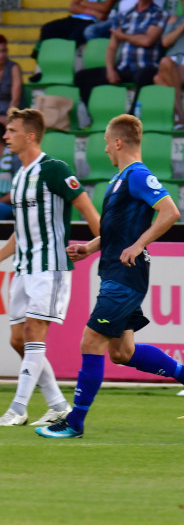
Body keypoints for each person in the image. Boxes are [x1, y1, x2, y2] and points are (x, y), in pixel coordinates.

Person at [38, 115, 184, 438]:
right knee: (122, 353)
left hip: (125, 277)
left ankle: (74, 422)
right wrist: (89, 248)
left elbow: (170, 211)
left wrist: (139, 244)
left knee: (91, 341)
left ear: (118, 142)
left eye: (106, 142)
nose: (104, 149)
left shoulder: (138, 175)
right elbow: (116, 231)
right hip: (115, 274)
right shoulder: (119, 179)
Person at [0, 108, 101, 427]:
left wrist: (101, 244)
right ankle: (58, 405)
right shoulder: (19, 177)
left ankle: (17, 409)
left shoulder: (55, 169)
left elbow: (87, 209)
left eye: (12, 131)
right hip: (24, 268)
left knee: (34, 333)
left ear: (30, 136)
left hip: (50, 267)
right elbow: (22, 229)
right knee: (18, 340)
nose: (6, 136)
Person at [75, 0, 168, 110]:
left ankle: (133, 115)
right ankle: (94, 115)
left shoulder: (160, 14)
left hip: (145, 66)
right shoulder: (124, 15)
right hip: (123, 67)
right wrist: (110, 70)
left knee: (145, 77)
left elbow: (147, 41)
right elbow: (112, 47)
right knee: (82, 77)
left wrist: (123, 36)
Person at [152, 0, 184, 130]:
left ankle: (180, 117)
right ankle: (181, 117)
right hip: (173, 61)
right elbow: (165, 42)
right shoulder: (175, 20)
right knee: (160, 73)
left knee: (159, 77)